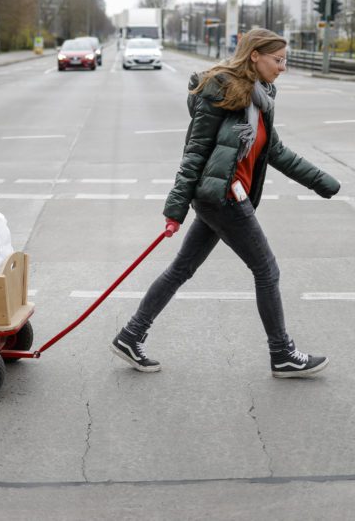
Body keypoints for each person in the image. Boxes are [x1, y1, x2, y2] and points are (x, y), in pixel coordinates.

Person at [111, 28, 341, 378]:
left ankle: (130, 335)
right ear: (254, 56)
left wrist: (320, 180)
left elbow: (274, 150)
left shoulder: (261, 96)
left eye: (284, 60)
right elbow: (195, 153)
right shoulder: (221, 93)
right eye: (278, 60)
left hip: (222, 197)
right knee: (266, 270)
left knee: (181, 269)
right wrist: (175, 209)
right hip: (224, 199)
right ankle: (282, 354)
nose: (283, 67)